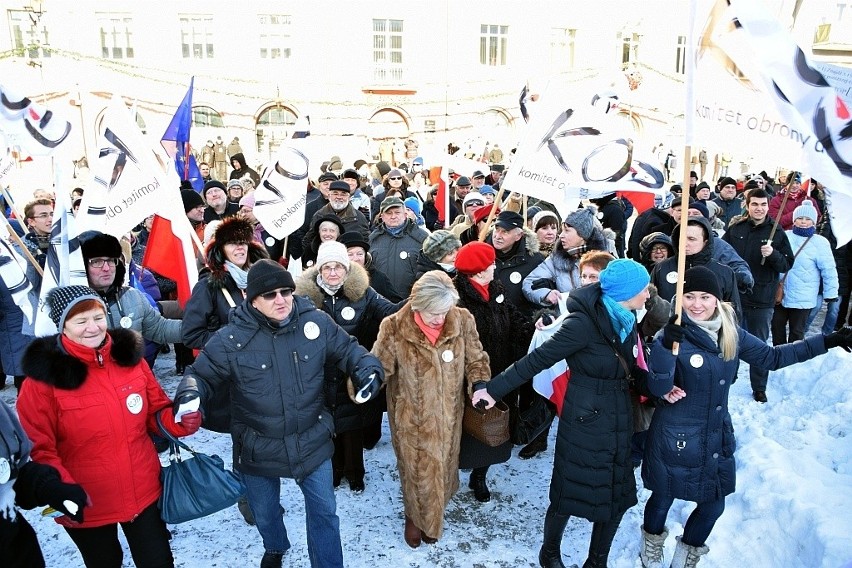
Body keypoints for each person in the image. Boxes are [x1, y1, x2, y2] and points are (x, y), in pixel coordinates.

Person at [639, 266, 852, 568]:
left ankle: (686, 556)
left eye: (704, 297)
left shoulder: (730, 333)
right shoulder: (672, 334)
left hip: (714, 434)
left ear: (717, 299)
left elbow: (772, 357)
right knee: (663, 497)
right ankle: (650, 545)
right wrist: (663, 347)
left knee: (713, 505)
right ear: (679, 298)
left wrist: (826, 341)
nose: (696, 304)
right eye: (688, 296)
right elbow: (658, 385)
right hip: (677, 436)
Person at [176, 260, 383, 568]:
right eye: (270, 294)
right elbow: (200, 375)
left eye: (286, 291)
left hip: (311, 439)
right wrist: (190, 395)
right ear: (252, 299)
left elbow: (352, 351)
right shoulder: (232, 338)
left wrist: (368, 370)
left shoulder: (317, 323)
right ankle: (274, 545)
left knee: (325, 513)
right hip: (257, 444)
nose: (281, 299)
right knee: (265, 509)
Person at [473, 259, 652, 568]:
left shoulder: (626, 315)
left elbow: (632, 366)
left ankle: (597, 561)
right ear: (625, 292)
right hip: (586, 419)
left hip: (620, 417)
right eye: (643, 289)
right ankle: (550, 552)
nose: (648, 294)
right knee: (569, 491)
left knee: (616, 495)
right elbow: (537, 360)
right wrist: (492, 390)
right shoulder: (582, 324)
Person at [17, 285, 201, 568]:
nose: (92, 328)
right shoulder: (42, 382)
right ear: (62, 326)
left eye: (98, 317)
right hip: (86, 500)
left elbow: (155, 411)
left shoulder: (129, 360)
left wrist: (179, 421)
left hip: (143, 489)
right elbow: (39, 447)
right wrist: (61, 489)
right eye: (81, 321)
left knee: (158, 561)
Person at [372, 270, 491, 548]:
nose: (439, 318)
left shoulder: (462, 320)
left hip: (450, 414)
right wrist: (366, 381)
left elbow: (476, 359)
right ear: (417, 305)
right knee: (415, 471)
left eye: (444, 310)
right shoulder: (394, 326)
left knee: (444, 466)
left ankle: (434, 513)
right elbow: (380, 366)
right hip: (410, 416)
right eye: (432, 312)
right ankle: (414, 516)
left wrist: (480, 383)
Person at [294, 241, 400, 492]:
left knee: (351, 426)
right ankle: (334, 470)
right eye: (327, 267)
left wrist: (417, 301)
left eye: (338, 267)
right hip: (318, 375)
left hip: (350, 373)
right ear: (319, 270)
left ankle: (355, 473)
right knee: (326, 426)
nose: (333, 273)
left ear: (347, 269)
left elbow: (392, 313)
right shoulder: (303, 298)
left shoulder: (363, 292)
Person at [453, 242, 534, 502]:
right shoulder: (457, 297)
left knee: (492, 425)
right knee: (468, 426)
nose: (494, 266)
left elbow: (512, 314)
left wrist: (535, 327)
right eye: (490, 265)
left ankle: (480, 474)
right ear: (477, 272)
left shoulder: (495, 287)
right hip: (470, 376)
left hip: (501, 370)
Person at [181, 216, 269, 430]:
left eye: (243, 242)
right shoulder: (209, 286)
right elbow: (191, 334)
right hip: (231, 378)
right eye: (232, 243)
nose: (239, 248)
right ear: (221, 249)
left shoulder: (262, 280)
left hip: (265, 371)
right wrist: (229, 338)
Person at [722, 188, 795, 403]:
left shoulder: (777, 231)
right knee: (729, 342)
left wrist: (773, 255)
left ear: (768, 206)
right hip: (736, 298)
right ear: (747, 205)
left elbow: (787, 263)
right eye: (755, 204)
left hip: (762, 300)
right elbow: (722, 254)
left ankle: (759, 387)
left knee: (759, 346)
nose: (759, 209)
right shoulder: (736, 229)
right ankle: (727, 379)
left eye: (763, 205)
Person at [79, 231, 183, 369]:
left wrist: (200, 327)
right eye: (96, 261)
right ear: (81, 265)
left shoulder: (132, 296)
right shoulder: (72, 306)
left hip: (133, 379)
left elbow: (160, 329)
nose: (106, 268)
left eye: (110, 260)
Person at [772, 199, 837, 347]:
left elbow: (829, 270)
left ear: (814, 222)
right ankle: (778, 358)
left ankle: (793, 363)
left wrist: (831, 293)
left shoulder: (820, 242)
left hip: (804, 296)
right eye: (800, 218)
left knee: (797, 332)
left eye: (807, 219)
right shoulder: (784, 236)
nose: (803, 222)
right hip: (781, 293)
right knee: (777, 328)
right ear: (794, 220)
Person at [369, 196, 429, 297]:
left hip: (411, 300)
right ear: (382, 216)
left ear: (405, 214)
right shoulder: (373, 239)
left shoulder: (422, 238)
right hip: (380, 302)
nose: (393, 216)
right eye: (389, 213)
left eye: (397, 212)